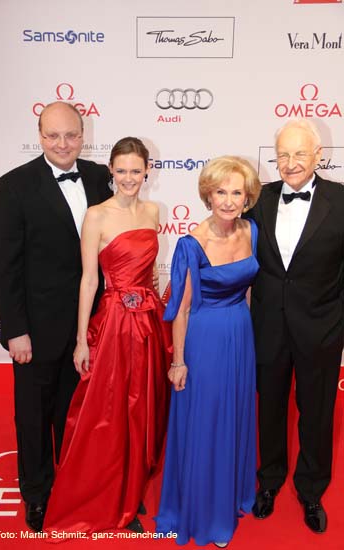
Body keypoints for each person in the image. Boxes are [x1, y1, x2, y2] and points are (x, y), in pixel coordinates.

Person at [0, 101, 112, 532]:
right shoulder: (12, 187)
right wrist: (15, 330)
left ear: (84, 134)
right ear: (39, 135)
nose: (62, 144)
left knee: (77, 412)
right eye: (53, 135)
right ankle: (37, 494)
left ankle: (78, 485)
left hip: (91, 326)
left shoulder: (101, 178)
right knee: (34, 415)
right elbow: (3, 268)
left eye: (71, 135)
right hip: (36, 330)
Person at [43, 137, 171, 535]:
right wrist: (83, 339)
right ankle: (110, 499)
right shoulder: (96, 215)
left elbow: (148, 272)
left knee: (143, 411)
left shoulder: (153, 211)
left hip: (148, 322)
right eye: (122, 171)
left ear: (147, 170)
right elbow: (89, 280)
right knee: (113, 414)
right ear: (110, 172)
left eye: (136, 170)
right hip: (114, 323)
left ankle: (132, 493)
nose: (129, 178)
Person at [155, 156, 261, 547]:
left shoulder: (251, 230)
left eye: (237, 192)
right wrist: (178, 361)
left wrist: (250, 338)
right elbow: (180, 308)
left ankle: (231, 494)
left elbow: (248, 290)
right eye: (221, 192)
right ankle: (207, 512)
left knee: (234, 414)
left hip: (240, 335)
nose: (229, 201)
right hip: (204, 339)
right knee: (208, 421)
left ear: (247, 197)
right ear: (208, 194)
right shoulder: (191, 244)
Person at [248, 118, 344, 534]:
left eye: (299, 154)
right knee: (268, 408)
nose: (290, 163)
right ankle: (268, 481)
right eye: (283, 155)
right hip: (267, 325)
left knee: (317, 412)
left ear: (319, 155)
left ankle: (310, 488)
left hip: (321, 327)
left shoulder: (341, 201)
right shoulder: (258, 200)